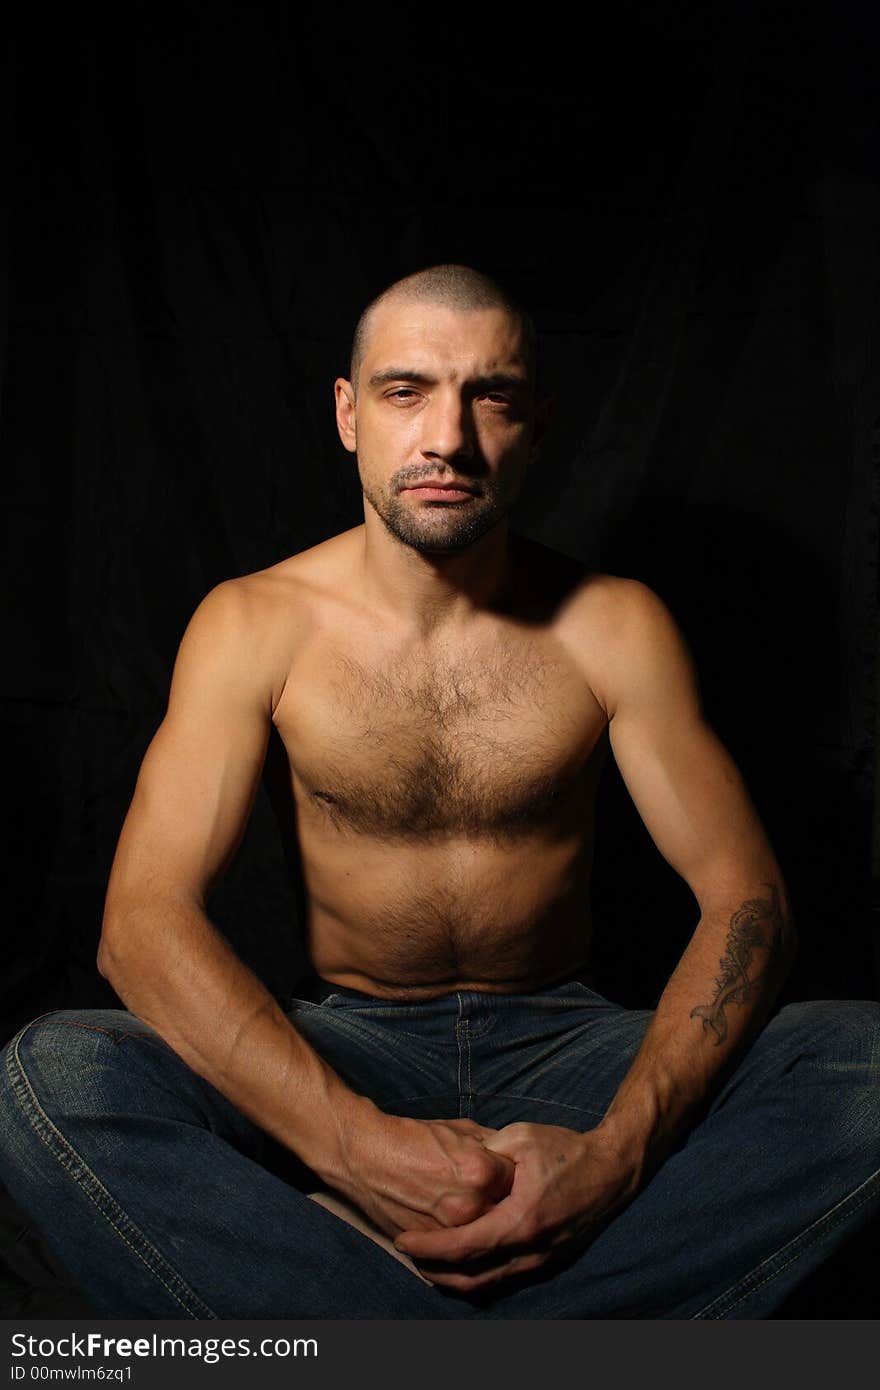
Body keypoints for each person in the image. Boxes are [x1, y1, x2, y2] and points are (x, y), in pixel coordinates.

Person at [1, 265, 878, 1320]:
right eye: (405, 391)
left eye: (490, 397)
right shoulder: (253, 624)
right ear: (347, 414)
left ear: (538, 425)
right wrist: (359, 1150)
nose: (447, 440)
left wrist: (615, 1157)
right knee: (53, 1075)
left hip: (571, 1045)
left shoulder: (613, 625)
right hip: (350, 1047)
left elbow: (749, 903)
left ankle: (391, 1322)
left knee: (864, 1058)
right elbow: (140, 925)